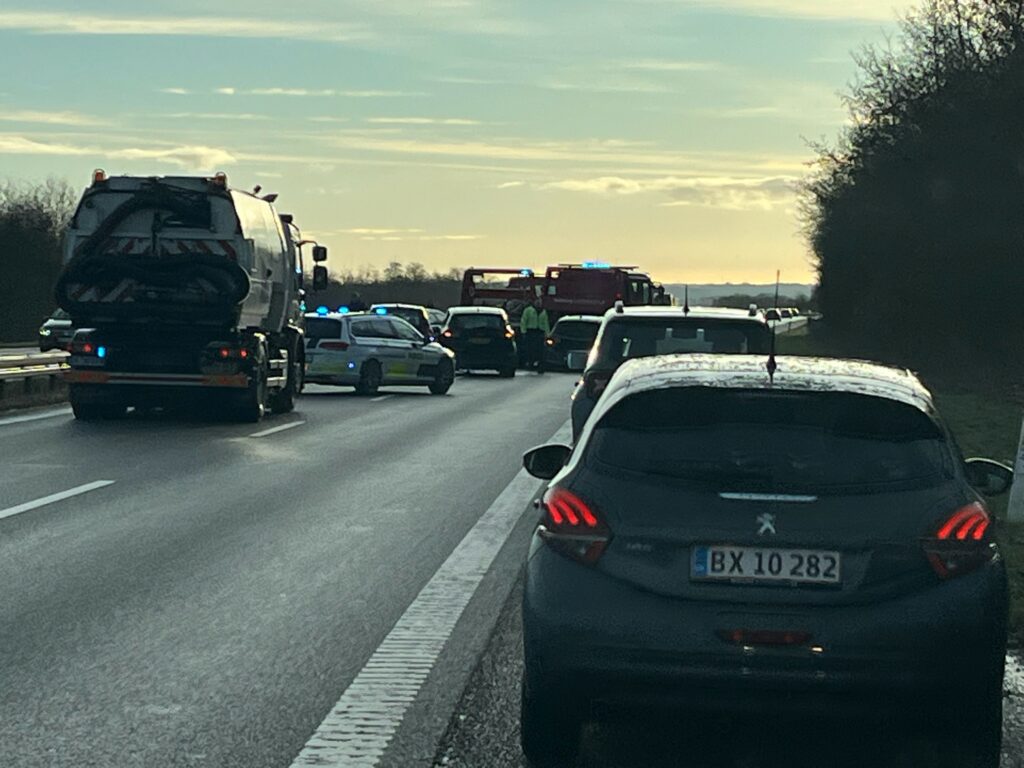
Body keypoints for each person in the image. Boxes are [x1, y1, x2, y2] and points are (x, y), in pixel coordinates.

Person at [520, 299, 550, 373]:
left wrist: (547, 334)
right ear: (534, 303)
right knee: (530, 349)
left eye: (540, 303)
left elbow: (546, 323)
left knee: (540, 350)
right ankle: (530, 364)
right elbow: (523, 321)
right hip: (531, 332)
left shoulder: (543, 312)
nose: (538, 304)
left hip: (540, 333)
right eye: (537, 302)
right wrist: (523, 332)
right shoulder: (528, 310)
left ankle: (540, 366)